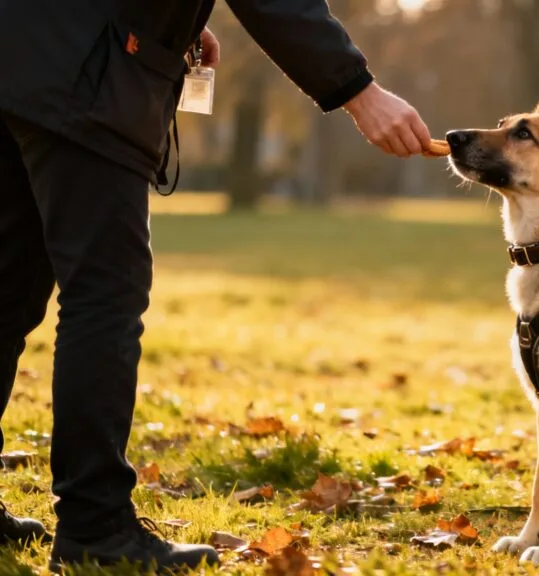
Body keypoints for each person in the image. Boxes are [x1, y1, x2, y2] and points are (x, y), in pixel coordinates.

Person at [0, 0, 432, 570]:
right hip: (83, 72)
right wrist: (359, 90)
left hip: (19, 48)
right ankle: (95, 527)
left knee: (7, 287)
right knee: (104, 298)